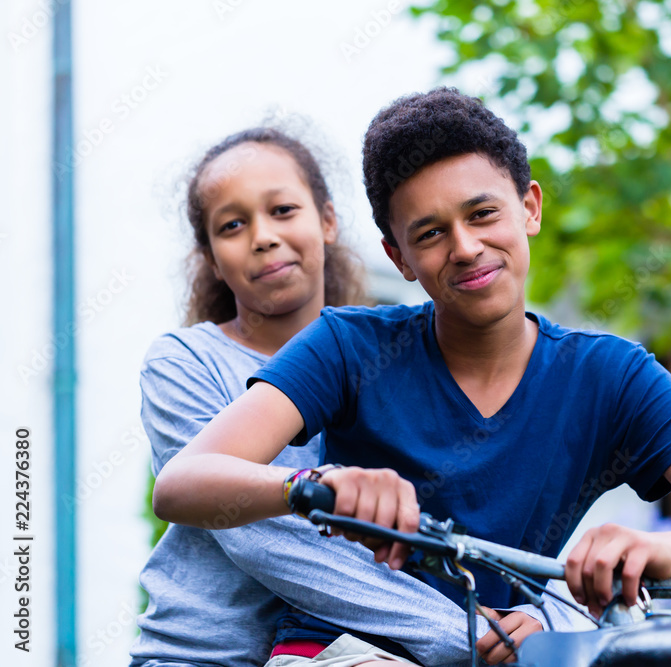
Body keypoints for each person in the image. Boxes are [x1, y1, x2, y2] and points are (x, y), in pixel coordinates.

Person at [153, 89, 671, 665]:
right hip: (341, 650)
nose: (466, 248)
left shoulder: (613, 375)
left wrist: (658, 547)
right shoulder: (347, 346)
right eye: (430, 233)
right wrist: (315, 484)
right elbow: (184, 482)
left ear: (529, 207)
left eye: (483, 214)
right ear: (399, 257)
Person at [130, 125, 492, 667]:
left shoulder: (389, 359)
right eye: (232, 225)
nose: (263, 236)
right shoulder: (185, 362)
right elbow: (260, 533)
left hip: (358, 652)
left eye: (282, 210)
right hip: (203, 657)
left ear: (327, 220)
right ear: (211, 258)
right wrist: (463, 633)